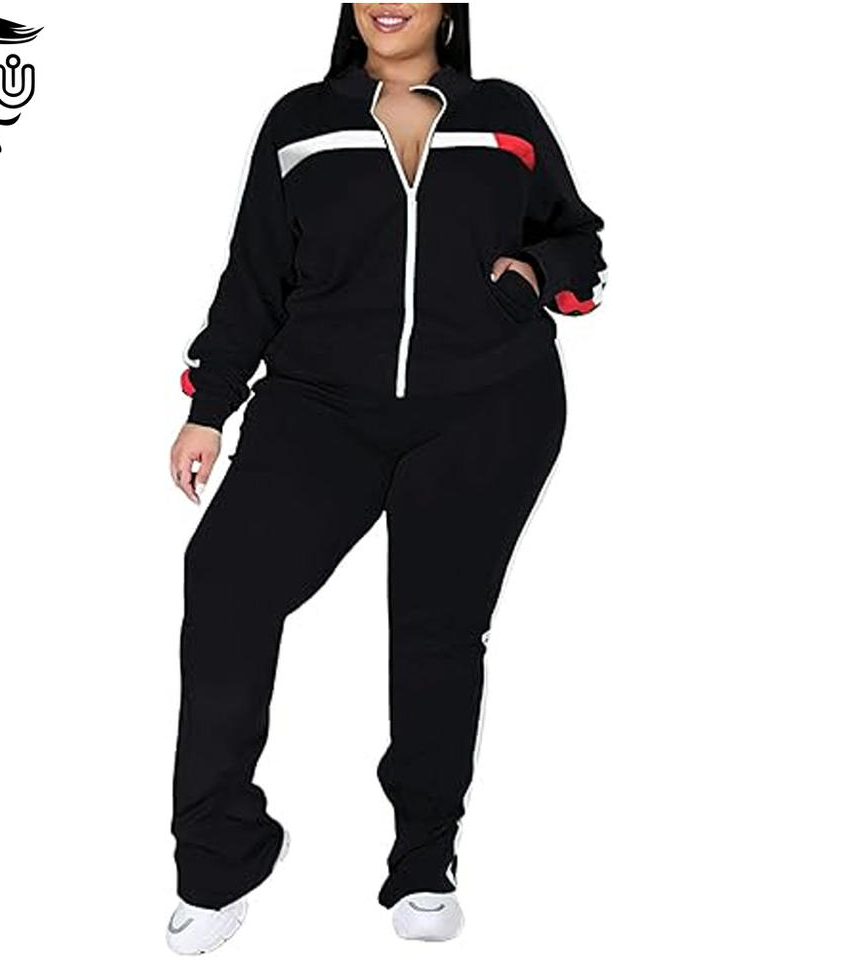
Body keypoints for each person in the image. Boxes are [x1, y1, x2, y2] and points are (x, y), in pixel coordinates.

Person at [165, 3, 606, 952]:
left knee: (436, 627)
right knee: (227, 581)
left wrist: (536, 271)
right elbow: (254, 274)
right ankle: (216, 858)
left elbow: (580, 241)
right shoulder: (300, 120)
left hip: (488, 404)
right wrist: (211, 404)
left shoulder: (505, 112)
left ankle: (423, 861)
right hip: (320, 405)